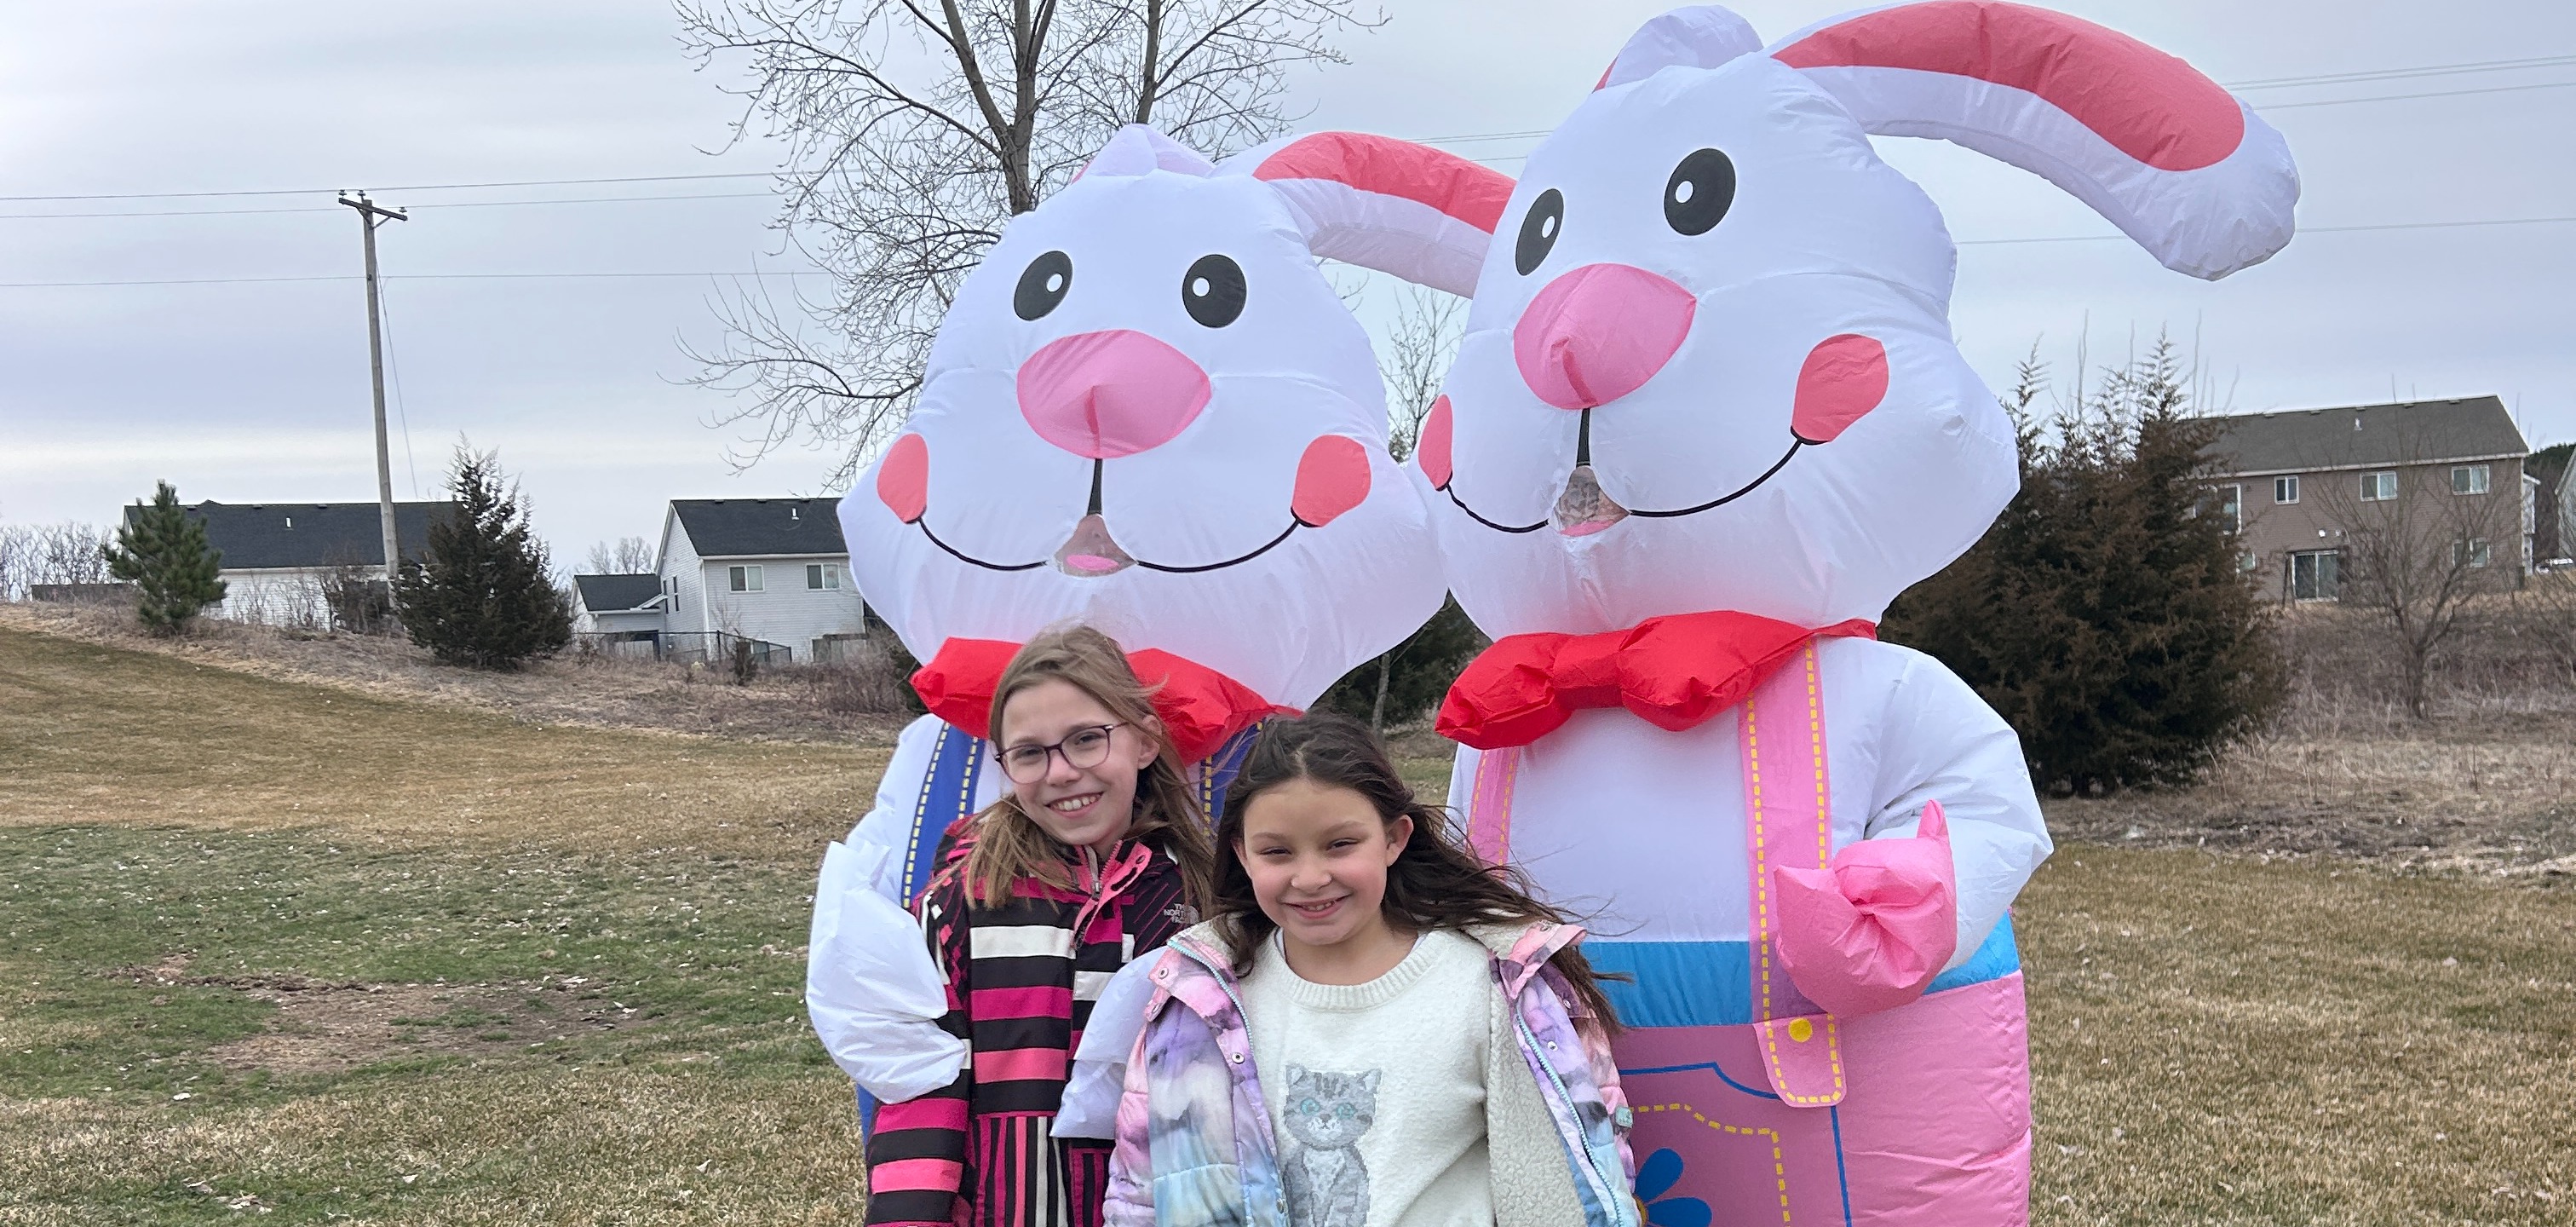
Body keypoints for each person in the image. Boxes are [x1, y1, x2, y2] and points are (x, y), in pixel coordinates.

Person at [1102, 713, 1639, 1227]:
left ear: (1394, 839)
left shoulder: (1497, 986)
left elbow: (1590, 1168)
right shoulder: (1199, 998)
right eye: (1277, 852)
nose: (1310, 878)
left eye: (1340, 845)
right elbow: (1142, 1190)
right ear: (1243, 855)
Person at [864, 625, 1217, 1227]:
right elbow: (918, 1085)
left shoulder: (1198, 899)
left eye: (1087, 740)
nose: (1061, 772)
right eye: (1030, 753)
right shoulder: (959, 901)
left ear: (1145, 742)